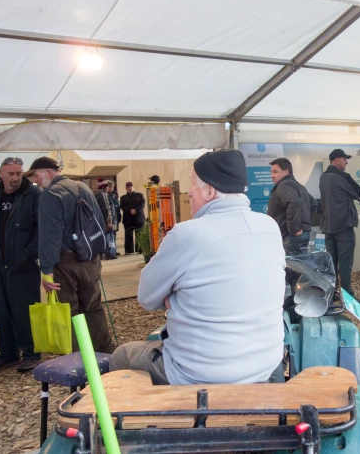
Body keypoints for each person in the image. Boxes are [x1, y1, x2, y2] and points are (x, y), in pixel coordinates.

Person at [109, 150, 286, 385]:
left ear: (210, 191)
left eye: (193, 184)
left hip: (201, 373)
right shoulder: (269, 227)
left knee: (121, 355)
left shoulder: (187, 234)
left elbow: (147, 297)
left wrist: (177, 296)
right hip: (264, 365)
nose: (189, 192)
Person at [26, 157, 114, 353]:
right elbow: (99, 221)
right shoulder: (82, 187)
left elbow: (49, 237)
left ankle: (77, 360)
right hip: (90, 258)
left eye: (36, 174)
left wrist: (46, 271)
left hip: (65, 262)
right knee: (93, 307)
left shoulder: (49, 196)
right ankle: (105, 353)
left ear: (49, 172)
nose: (35, 180)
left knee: (69, 311)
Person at [0, 157, 42, 372]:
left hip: (23, 267)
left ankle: (31, 354)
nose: (15, 177)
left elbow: (40, 230)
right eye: (11, 173)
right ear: (1, 174)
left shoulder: (33, 195)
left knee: (25, 311)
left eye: (18, 173)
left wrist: (26, 255)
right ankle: (8, 354)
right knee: (2, 311)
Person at [319, 149, 360, 299]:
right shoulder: (343, 177)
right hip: (343, 225)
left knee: (332, 263)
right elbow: (359, 192)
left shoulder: (323, 177)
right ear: (337, 160)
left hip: (328, 226)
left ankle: (332, 294)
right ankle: (347, 295)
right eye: (345, 159)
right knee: (345, 263)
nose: (346, 162)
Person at [267, 158, 316, 256]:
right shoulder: (298, 186)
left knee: (291, 268)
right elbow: (313, 204)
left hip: (290, 237)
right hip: (298, 235)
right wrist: (304, 225)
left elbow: (294, 202)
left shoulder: (284, 185)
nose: (272, 176)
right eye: (271, 172)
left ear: (286, 172)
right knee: (300, 267)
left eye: (275, 172)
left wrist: (295, 229)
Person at [120, 181, 146, 255]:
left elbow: (142, 204)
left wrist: (135, 210)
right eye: (128, 187)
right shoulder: (123, 198)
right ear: (126, 188)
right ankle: (128, 250)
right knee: (128, 235)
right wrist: (130, 210)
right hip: (128, 219)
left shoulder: (139, 195)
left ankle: (140, 249)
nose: (130, 188)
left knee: (139, 234)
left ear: (133, 187)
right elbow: (122, 206)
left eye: (131, 187)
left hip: (138, 218)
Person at [94, 181, 116, 259]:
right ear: (104, 187)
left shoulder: (95, 195)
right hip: (103, 221)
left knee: (99, 238)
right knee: (106, 238)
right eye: (107, 187)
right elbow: (107, 209)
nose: (108, 188)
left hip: (97, 221)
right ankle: (109, 253)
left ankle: (99, 255)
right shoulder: (104, 195)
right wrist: (109, 221)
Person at [107, 181, 121, 255]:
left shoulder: (115, 194)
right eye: (109, 186)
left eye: (112, 186)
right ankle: (109, 251)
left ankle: (114, 250)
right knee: (109, 235)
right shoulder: (105, 195)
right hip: (109, 218)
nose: (110, 188)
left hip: (115, 217)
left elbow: (117, 206)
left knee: (114, 234)